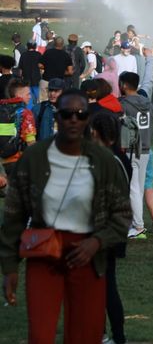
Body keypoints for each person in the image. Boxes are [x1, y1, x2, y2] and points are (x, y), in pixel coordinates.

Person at [0, 89, 131, 344]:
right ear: (56, 117)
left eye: (80, 114)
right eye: (67, 114)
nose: (73, 119)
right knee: (40, 334)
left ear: (87, 120)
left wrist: (97, 242)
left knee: (84, 335)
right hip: (44, 251)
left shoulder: (103, 160)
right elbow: (14, 214)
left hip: (87, 254)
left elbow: (122, 213)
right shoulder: (36, 157)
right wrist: (9, 265)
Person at [89, 109, 132, 344]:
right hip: (115, 229)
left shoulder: (106, 161)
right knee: (106, 285)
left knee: (103, 286)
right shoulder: (121, 158)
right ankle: (112, 334)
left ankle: (112, 335)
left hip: (104, 230)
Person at [118, 72, 153, 240]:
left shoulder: (123, 104)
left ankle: (138, 225)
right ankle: (136, 223)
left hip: (131, 148)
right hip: (146, 148)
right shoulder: (149, 103)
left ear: (124, 85)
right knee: (138, 188)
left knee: (133, 188)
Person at [39, 36, 74, 103]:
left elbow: (40, 65)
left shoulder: (47, 52)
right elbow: (70, 72)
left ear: (54, 43)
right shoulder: (66, 55)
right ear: (63, 44)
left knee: (42, 103)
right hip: (58, 83)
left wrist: (47, 67)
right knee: (58, 102)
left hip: (46, 80)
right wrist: (61, 71)